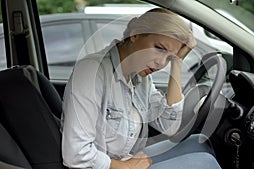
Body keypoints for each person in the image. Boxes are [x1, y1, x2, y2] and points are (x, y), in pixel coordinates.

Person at [61, 8, 221, 169]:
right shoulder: (91, 71)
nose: (161, 63)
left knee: (199, 142)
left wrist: (177, 62)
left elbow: (169, 126)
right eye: (159, 48)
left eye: (169, 58)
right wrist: (128, 166)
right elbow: (75, 154)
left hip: (128, 159)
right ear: (135, 34)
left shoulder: (141, 77)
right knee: (205, 163)